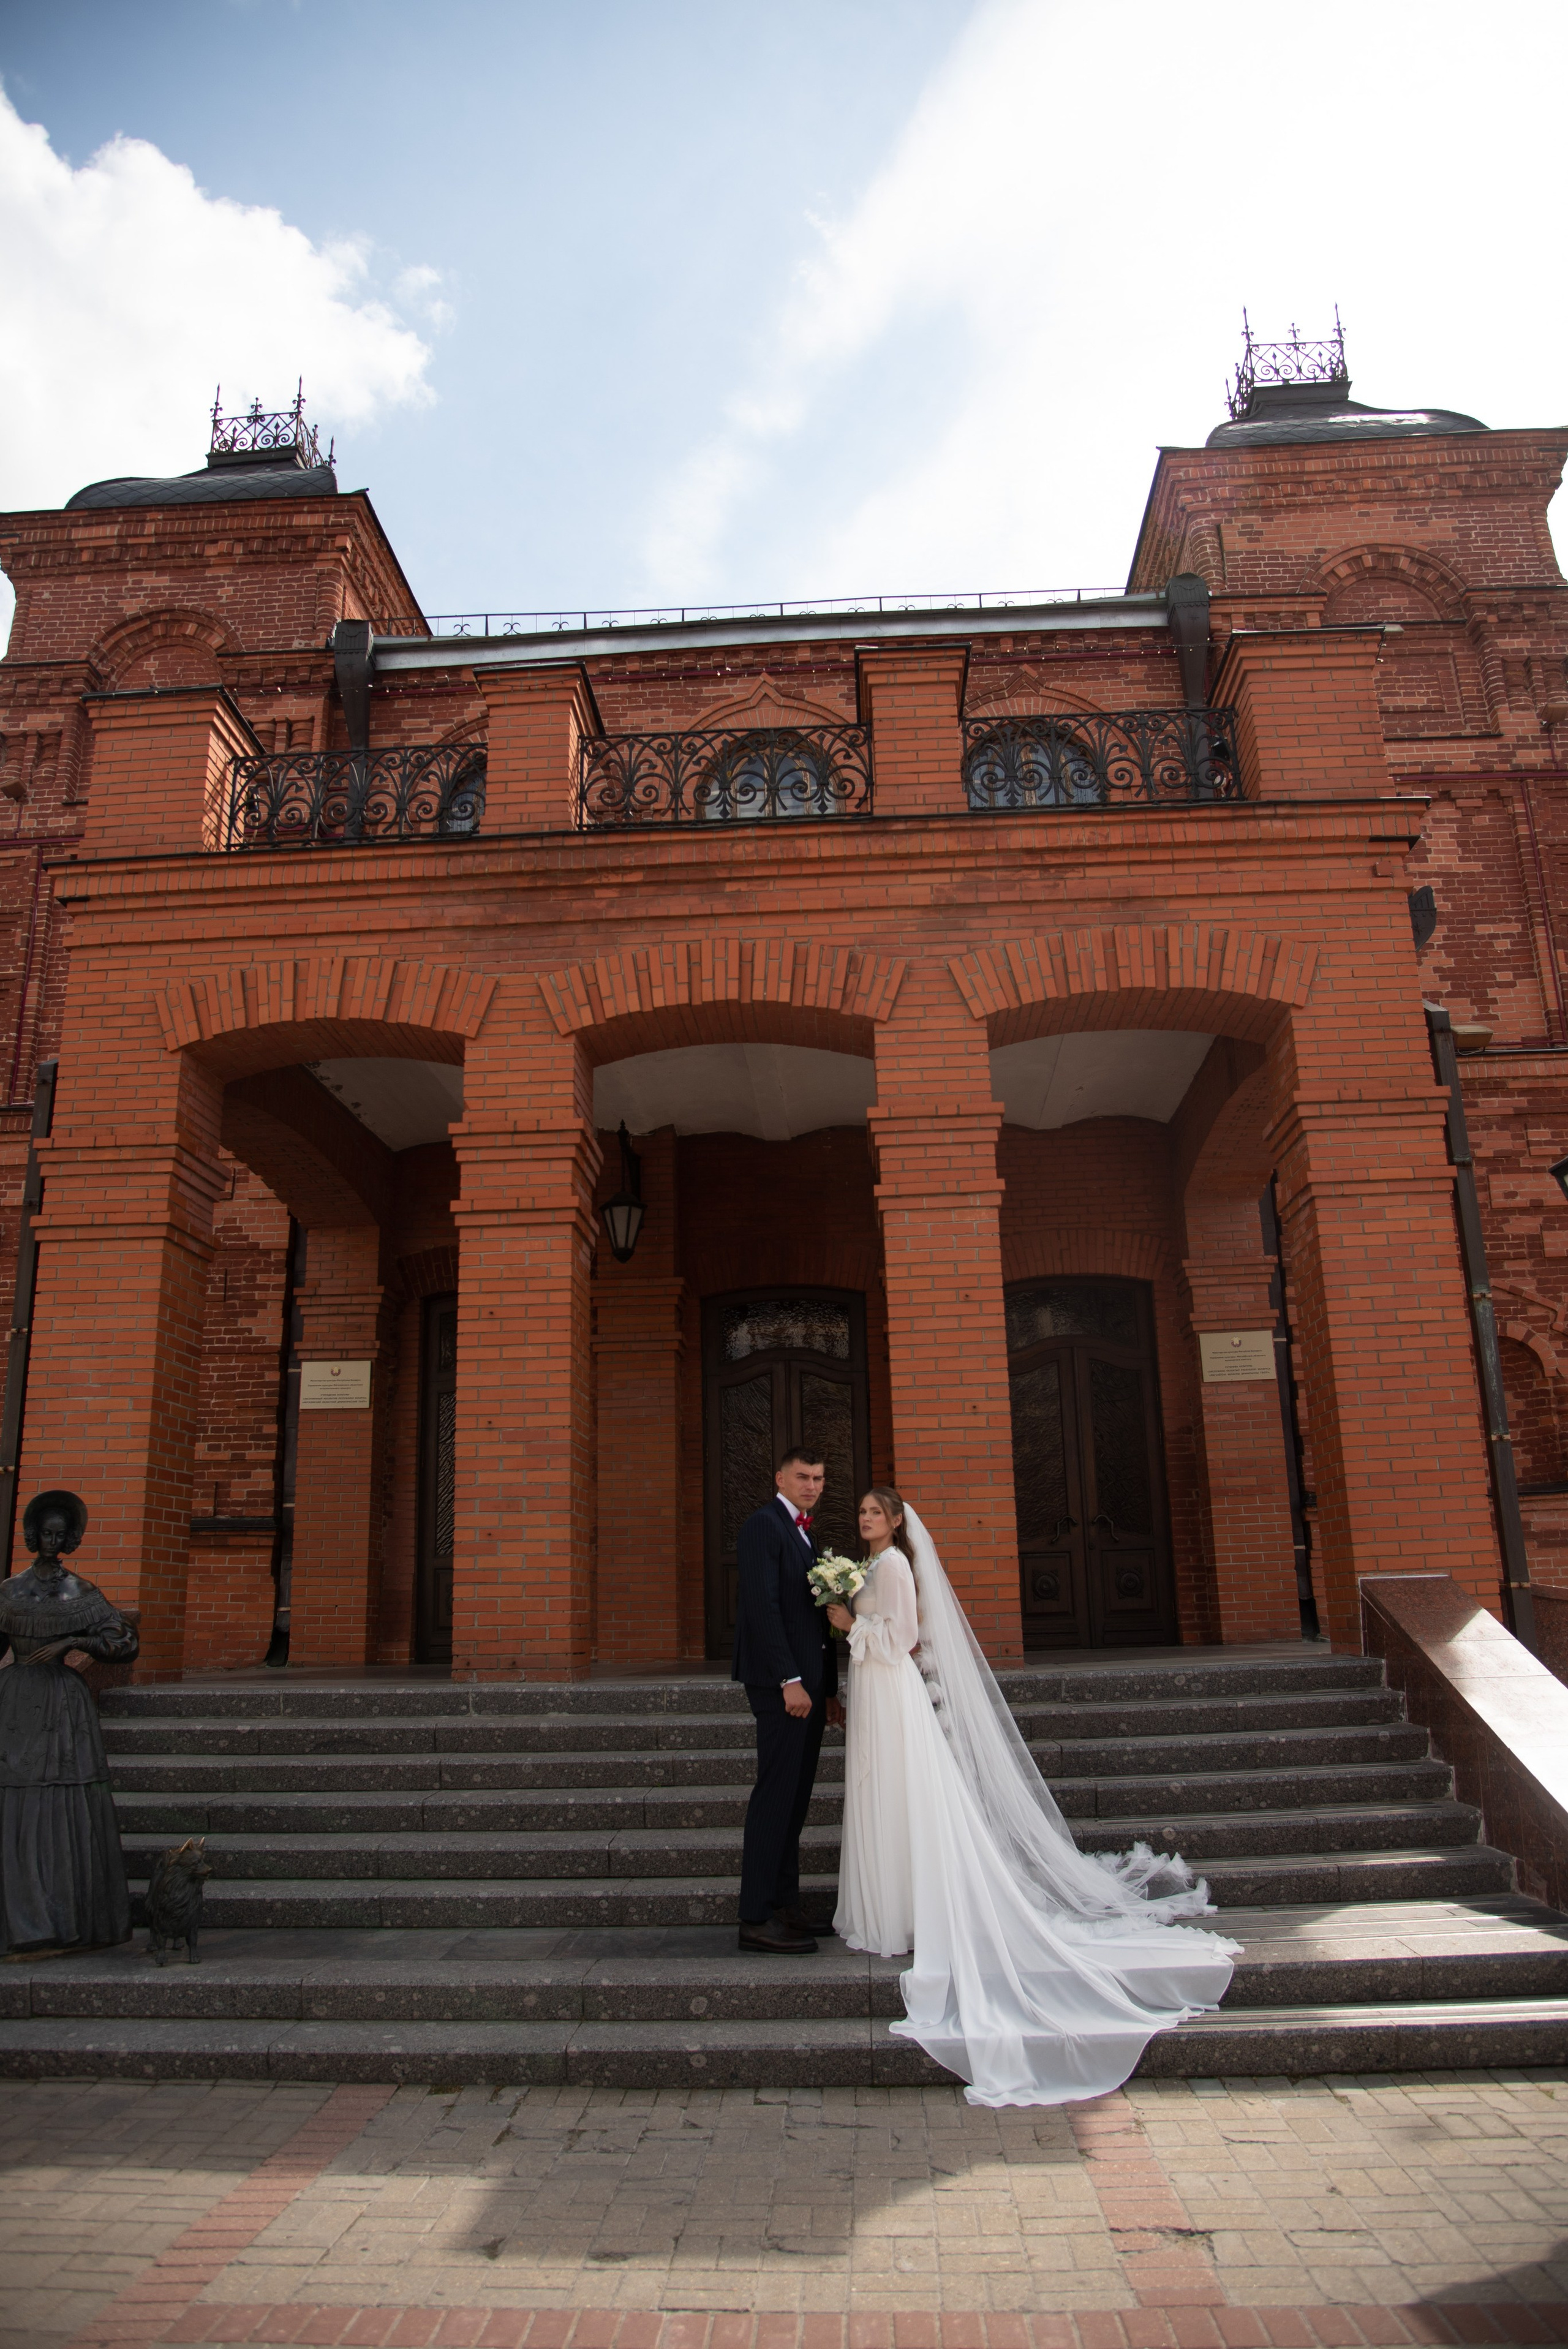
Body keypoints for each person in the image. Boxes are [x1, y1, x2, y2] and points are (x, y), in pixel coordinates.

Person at [827, 1486, 1238, 2106]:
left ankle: (905, 1909)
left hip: (891, 1688)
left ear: (894, 1521)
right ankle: (889, 1905)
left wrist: (849, 1621)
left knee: (900, 1795)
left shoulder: (896, 1565)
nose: (866, 1520)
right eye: (860, 1513)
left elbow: (905, 1635)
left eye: (874, 1513)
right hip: (874, 1687)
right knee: (882, 1795)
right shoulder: (870, 1565)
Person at [0, 1490, 138, 1958]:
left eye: (60, 1534)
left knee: (65, 1793)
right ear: (32, 1534)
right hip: (16, 1699)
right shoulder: (10, 1590)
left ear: (71, 1538)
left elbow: (123, 1642)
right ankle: (21, 1918)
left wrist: (72, 1642)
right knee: (16, 1796)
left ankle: (68, 1914)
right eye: (45, 1533)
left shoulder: (80, 1591)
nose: (51, 1541)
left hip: (62, 1704)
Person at [731, 1445, 845, 1953]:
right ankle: (755, 1917)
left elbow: (816, 1621)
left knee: (795, 1801)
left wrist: (830, 1690)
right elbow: (762, 1607)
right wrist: (789, 1680)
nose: (812, 1486)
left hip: (808, 1688)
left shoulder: (805, 1532)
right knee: (775, 1797)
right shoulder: (764, 1526)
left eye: (819, 1478)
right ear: (780, 1476)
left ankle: (785, 1904)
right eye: (803, 1476)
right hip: (783, 1688)